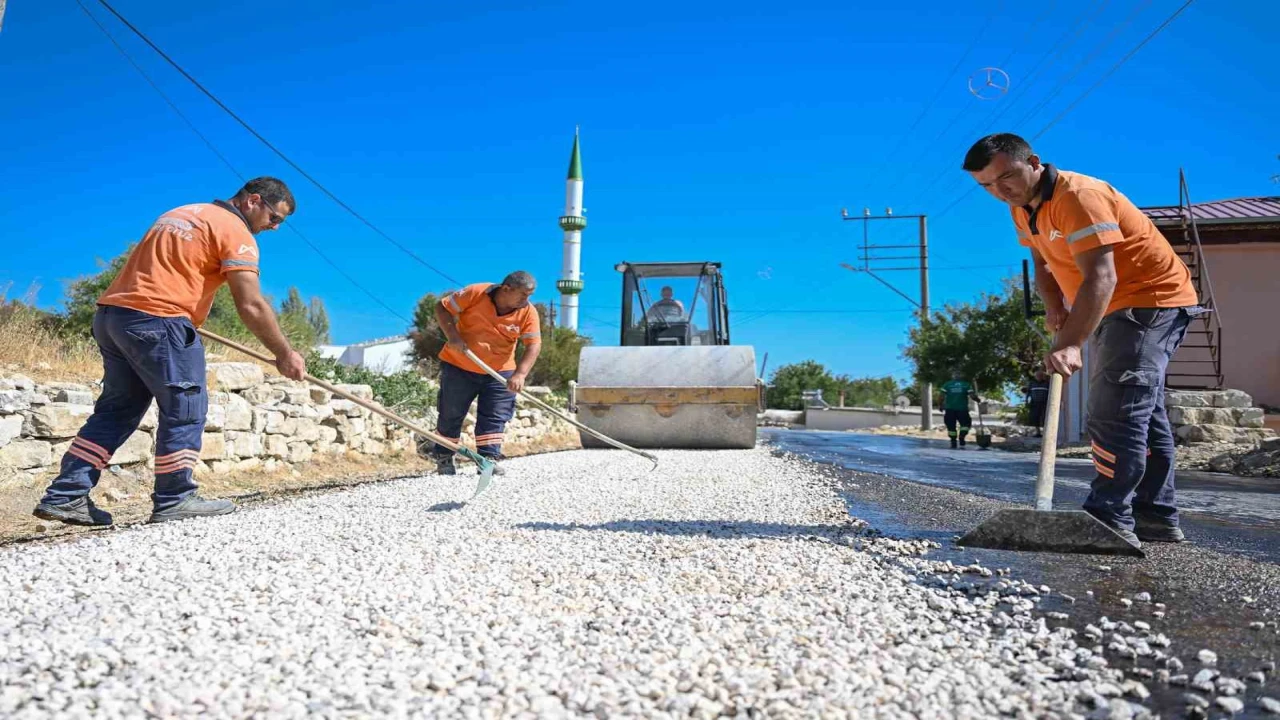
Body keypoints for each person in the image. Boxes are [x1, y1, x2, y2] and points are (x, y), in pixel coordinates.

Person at [963, 132, 1201, 547]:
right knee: (1144, 413)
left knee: (1116, 408)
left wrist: (1071, 342)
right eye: (987, 186)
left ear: (1033, 162)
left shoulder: (1079, 196)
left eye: (1006, 178)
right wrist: (1055, 306)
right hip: (1111, 306)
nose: (1000, 191)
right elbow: (1042, 263)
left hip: (1149, 302)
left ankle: (1108, 516)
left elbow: (1102, 276)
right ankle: (1156, 516)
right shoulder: (1023, 208)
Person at [33, 177, 306, 527]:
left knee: (117, 411)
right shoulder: (236, 231)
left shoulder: (181, 213)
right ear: (253, 201)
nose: (275, 227)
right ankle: (175, 499)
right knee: (186, 406)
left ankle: (65, 495)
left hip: (113, 317)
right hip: (159, 321)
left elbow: (166, 272)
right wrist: (284, 353)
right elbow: (250, 304)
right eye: (274, 218)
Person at [426, 271, 542, 475]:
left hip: (500, 372)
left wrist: (520, 374)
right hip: (459, 365)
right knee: (450, 413)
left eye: (530, 295)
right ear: (506, 289)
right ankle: (444, 457)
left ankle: (487, 460)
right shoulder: (475, 293)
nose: (527, 300)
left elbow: (533, 344)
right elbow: (442, 308)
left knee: (495, 416)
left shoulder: (528, 312)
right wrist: (452, 336)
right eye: (523, 294)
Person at [940, 370, 981, 449]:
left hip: (950, 409)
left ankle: (953, 441)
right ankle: (962, 436)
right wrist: (977, 399)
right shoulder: (966, 385)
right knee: (965, 424)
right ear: (961, 376)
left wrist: (940, 405)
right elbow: (972, 396)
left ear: (953, 376)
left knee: (951, 426)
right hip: (962, 409)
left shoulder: (947, 385)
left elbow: (941, 396)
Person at [1024, 368, 1051, 437]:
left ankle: (1045, 432)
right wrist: (1026, 400)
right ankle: (1038, 432)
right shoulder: (1032, 383)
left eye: (1040, 375)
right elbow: (1028, 392)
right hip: (1035, 403)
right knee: (1035, 417)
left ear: (1042, 376)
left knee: (1045, 417)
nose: (1039, 377)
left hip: (1044, 403)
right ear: (1035, 376)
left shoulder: (1047, 383)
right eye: (1037, 375)